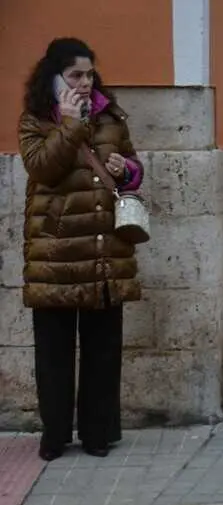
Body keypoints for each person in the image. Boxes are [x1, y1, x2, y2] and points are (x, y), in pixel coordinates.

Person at [19, 37, 145, 461]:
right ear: (55, 77)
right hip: (56, 252)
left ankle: (99, 433)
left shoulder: (111, 116)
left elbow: (133, 167)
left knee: (103, 350)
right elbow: (42, 168)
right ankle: (54, 436)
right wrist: (71, 125)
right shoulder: (36, 120)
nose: (86, 82)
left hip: (104, 249)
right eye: (76, 75)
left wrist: (124, 169)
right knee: (54, 353)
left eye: (90, 73)